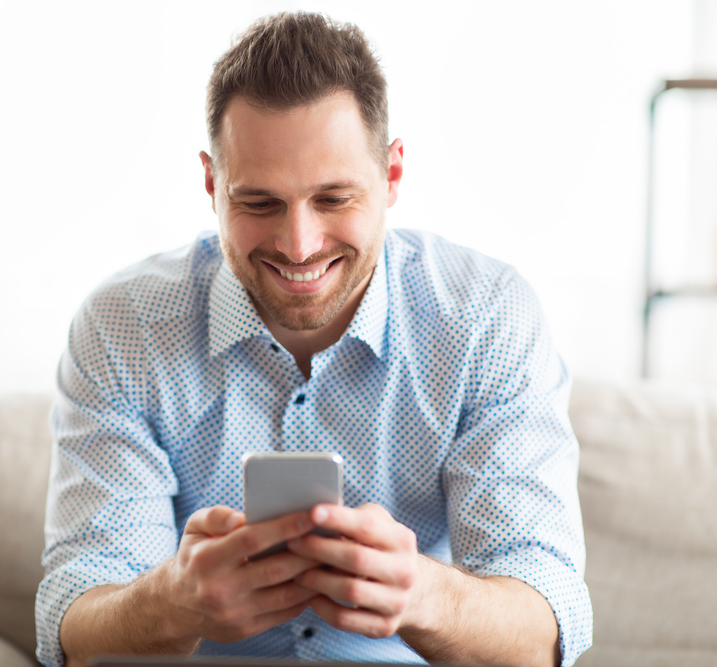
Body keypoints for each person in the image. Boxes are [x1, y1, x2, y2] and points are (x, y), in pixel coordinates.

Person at [35, 12, 592, 667]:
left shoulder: (485, 319)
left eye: (333, 198)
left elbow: (543, 631)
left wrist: (423, 595)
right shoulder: (123, 328)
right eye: (259, 203)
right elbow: (75, 625)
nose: (299, 244)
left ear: (392, 175)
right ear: (212, 184)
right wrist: (172, 601)